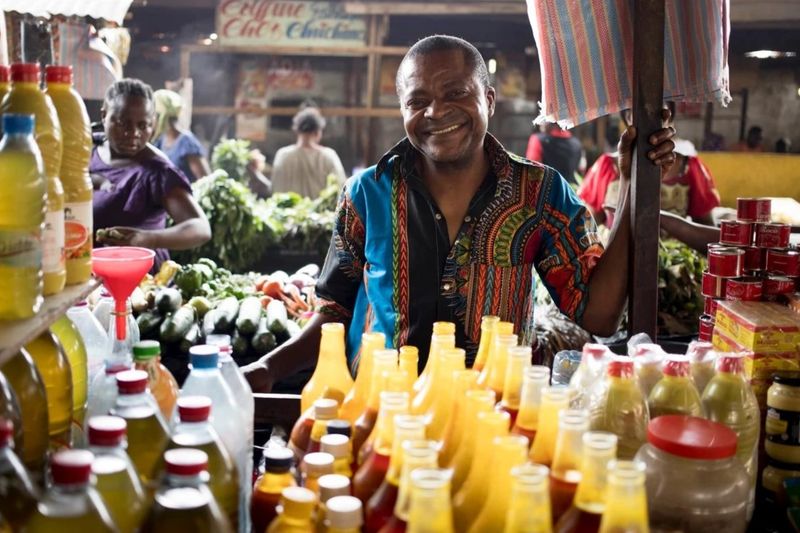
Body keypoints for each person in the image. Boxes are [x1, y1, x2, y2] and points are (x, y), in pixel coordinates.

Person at [243, 35, 675, 393]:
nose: (436, 111)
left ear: (489, 99)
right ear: (403, 111)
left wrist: (632, 184)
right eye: (418, 100)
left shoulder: (541, 194)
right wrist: (267, 369)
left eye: (455, 93)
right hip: (383, 418)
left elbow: (598, 315)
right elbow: (333, 313)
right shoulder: (365, 194)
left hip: (491, 425)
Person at [91, 78, 211, 270]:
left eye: (143, 125)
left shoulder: (156, 170)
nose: (134, 133)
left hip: (139, 281)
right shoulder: (87, 148)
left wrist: (145, 238)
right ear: (104, 116)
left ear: (153, 123)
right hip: (89, 273)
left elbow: (200, 227)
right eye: (123, 123)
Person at [579, 136, 719, 227]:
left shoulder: (690, 168)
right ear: (628, 120)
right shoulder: (607, 166)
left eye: (660, 116)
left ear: (669, 122)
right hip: (617, 259)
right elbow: (589, 224)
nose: (648, 127)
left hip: (673, 263)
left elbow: (706, 225)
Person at [271, 107, 347, 198]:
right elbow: (341, 189)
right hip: (321, 212)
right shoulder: (329, 156)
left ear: (297, 131)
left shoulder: (283, 155)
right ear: (317, 132)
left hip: (286, 211)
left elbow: (274, 187)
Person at [151, 89, 211, 181]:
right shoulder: (161, 142)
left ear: (162, 117)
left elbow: (204, 180)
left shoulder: (187, 143)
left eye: (154, 115)